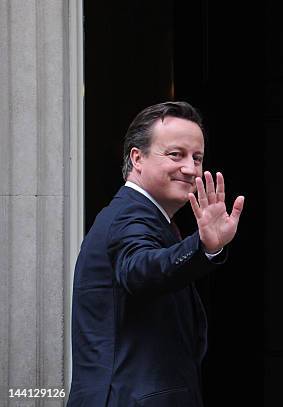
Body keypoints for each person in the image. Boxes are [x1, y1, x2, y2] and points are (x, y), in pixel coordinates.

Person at [67, 101, 244, 406]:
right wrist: (203, 247)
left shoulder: (148, 216)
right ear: (137, 158)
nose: (190, 168)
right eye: (176, 154)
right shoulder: (128, 216)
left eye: (197, 157)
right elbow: (140, 270)